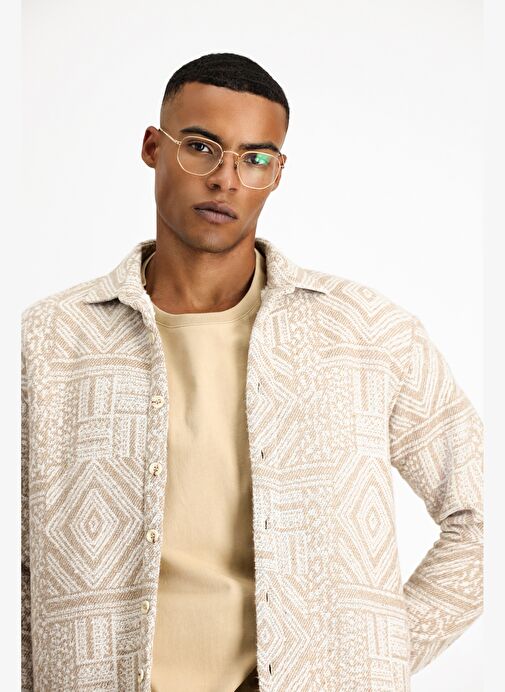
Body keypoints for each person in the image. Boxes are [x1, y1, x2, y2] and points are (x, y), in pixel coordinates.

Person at [21, 52, 483, 692]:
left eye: (254, 158)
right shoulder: (46, 342)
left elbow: (482, 513)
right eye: (201, 148)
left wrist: (368, 658)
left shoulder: (369, 335)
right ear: (153, 148)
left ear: (277, 172)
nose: (225, 179)